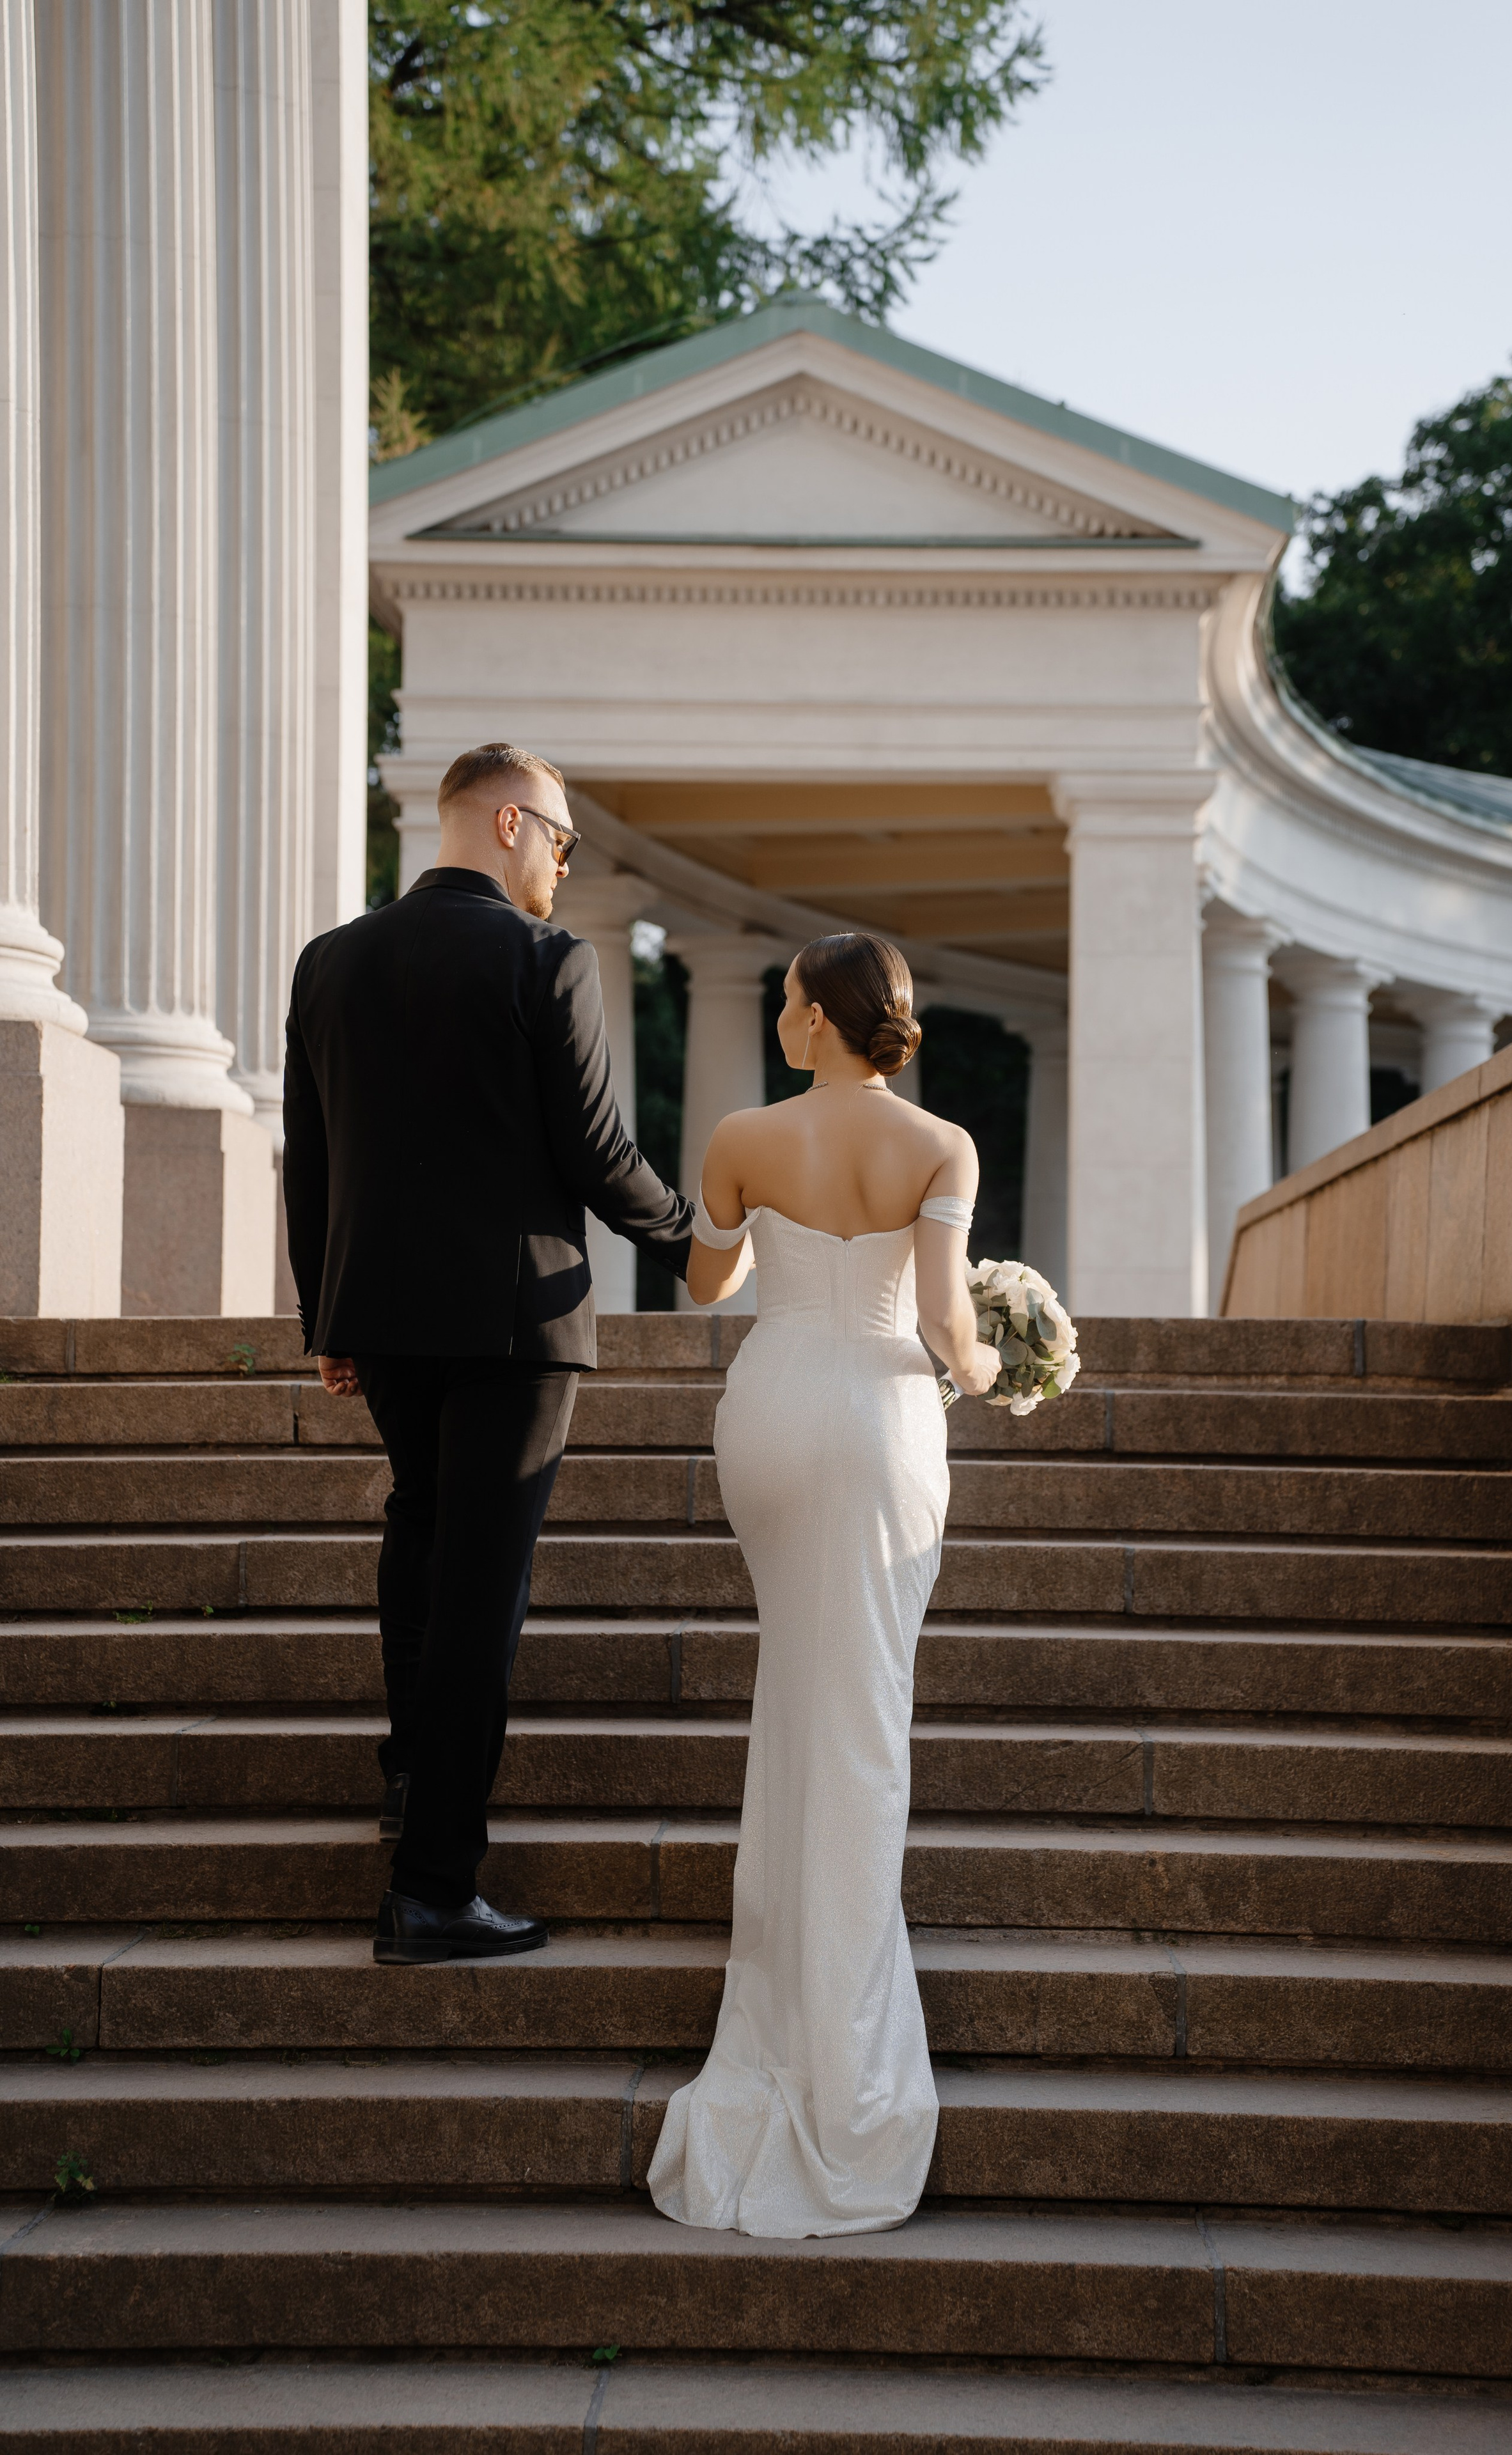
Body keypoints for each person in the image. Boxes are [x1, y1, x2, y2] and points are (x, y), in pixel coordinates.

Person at [281, 743, 694, 1967]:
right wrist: (690, 1243)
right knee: (480, 1592)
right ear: (510, 822)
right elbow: (594, 1147)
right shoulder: (544, 959)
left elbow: (311, 1156)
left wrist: (327, 1314)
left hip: (382, 1313)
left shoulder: (328, 961)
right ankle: (434, 1887)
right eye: (561, 840)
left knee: (418, 1531)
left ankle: (412, 1774)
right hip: (517, 1318)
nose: (566, 865)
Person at [646, 930, 1001, 2239]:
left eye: (790, 1000)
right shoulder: (941, 1146)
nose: (784, 1015)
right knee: (859, 1724)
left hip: (773, 1410)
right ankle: (840, 2049)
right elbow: (944, 1324)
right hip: (882, 1421)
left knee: (799, 1702)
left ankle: (782, 2003)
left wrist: (746, 1240)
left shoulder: (738, 1134)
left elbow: (706, 1284)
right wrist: (998, 1376)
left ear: (813, 1018)